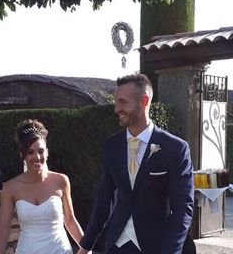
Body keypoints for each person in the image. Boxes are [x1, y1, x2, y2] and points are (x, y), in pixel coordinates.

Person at [78, 72, 194, 254]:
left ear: (144, 100)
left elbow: (182, 211)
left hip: (156, 247)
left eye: (123, 102)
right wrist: (85, 246)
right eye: (116, 102)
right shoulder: (111, 146)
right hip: (116, 245)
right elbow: (103, 200)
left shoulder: (175, 148)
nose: (116, 109)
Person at [0, 119, 84, 254]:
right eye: (30, 152)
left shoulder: (61, 181)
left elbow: (70, 220)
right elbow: (3, 230)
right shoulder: (11, 188)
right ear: (22, 155)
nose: (37, 157)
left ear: (46, 152)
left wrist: (86, 248)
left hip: (59, 250)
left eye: (40, 151)